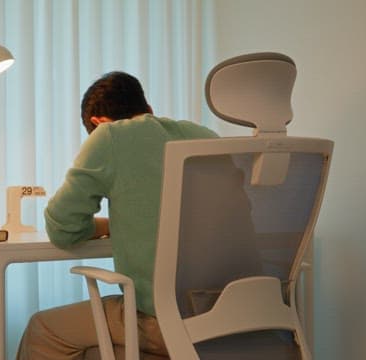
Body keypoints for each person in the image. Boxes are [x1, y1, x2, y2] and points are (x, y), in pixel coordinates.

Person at [16, 71, 218, 359]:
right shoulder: (204, 136)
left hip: (167, 322)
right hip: (231, 318)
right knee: (96, 350)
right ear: (149, 110)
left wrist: (105, 225)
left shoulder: (110, 136)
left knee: (42, 329)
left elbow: (62, 227)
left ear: (97, 124)